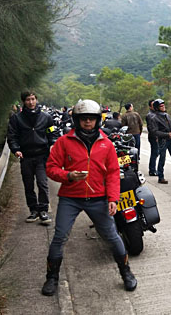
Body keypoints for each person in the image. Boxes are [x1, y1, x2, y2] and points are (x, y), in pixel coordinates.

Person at [42, 99, 137, 296]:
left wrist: (113, 198)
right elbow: (50, 168)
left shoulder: (106, 144)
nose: (87, 123)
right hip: (70, 197)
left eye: (91, 119)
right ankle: (52, 277)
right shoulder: (63, 142)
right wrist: (67, 176)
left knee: (112, 236)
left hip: (99, 197)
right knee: (59, 237)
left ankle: (126, 272)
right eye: (83, 119)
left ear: (97, 121)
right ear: (77, 120)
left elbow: (112, 172)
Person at [7, 91, 54, 224]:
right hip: (26, 156)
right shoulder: (17, 119)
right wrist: (16, 149)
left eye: (33, 99)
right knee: (28, 185)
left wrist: (53, 145)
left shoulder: (46, 117)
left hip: (42, 155)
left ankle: (43, 210)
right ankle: (33, 210)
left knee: (42, 183)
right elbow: (12, 136)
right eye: (28, 100)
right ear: (24, 101)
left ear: (36, 100)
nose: (31, 102)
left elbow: (52, 133)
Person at [148, 99, 171, 184]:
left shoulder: (167, 115)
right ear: (157, 107)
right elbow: (154, 131)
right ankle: (160, 177)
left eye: (163, 105)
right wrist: (166, 134)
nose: (163, 107)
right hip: (163, 140)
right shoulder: (154, 118)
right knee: (162, 158)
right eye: (161, 106)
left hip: (170, 139)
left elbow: (169, 127)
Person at [145, 100, 159, 176]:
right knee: (155, 152)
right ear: (150, 106)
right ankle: (152, 170)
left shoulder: (156, 114)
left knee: (156, 152)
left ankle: (152, 169)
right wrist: (156, 137)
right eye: (153, 105)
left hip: (157, 136)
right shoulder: (150, 115)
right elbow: (151, 128)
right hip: (154, 137)